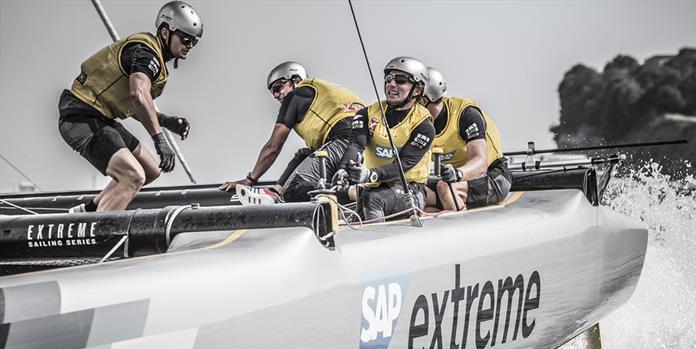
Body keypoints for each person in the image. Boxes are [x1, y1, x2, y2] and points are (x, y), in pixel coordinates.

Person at [58, 1, 202, 212]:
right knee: (133, 176)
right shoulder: (147, 54)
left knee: (149, 170)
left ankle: (88, 211)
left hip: (102, 118)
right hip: (82, 116)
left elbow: (132, 103)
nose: (189, 45)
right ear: (165, 32)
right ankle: (98, 233)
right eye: (186, 38)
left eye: (194, 42)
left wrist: (165, 120)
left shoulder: (154, 59)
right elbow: (138, 95)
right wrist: (159, 139)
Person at [219, 62, 365, 202]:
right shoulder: (317, 94)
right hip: (362, 147)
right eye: (272, 92)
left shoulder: (295, 95)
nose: (276, 95)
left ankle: (356, 193)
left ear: (295, 80)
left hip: (344, 142)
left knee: (293, 190)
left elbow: (273, 147)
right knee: (303, 155)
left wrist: (249, 180)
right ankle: (277, 190)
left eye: (277, 88)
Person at [338, 56, 434, 221]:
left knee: (373, 201)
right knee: (344, 200)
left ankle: (379, 243)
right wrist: (343, 170)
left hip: (410, 190)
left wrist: (369, 175)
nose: (391, 84)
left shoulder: (424, 125)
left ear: (417, 90)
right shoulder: (366, 114)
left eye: (400, 80)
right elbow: (356, 145)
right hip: (371, 186)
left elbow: (404, 164)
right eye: (388, 79)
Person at [420, 67, 512, 211]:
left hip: (494, 176)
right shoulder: (416, 122)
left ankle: (458, 224)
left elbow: (480, 163)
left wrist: (457, 174)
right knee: (415, 196)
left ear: (424, 99)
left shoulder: (466, 115)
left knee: (444, 188)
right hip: (456, 182)